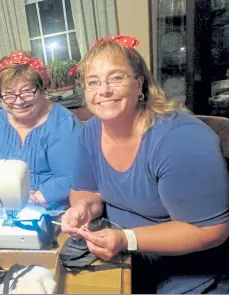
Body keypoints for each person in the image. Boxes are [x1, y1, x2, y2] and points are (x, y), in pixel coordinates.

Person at [61, 35, 229, 293]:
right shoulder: (90, 131)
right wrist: (83, 208)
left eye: (116, 78)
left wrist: (126, 239)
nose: (103, 90)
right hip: (126, 263)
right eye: (93, 82)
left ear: (140, 84)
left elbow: (210, 230)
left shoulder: (180, 138)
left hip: (187, 278)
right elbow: (87, 190)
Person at [0, 51, 82, 210]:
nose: (18, 101)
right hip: (4, 206)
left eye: (26, 91)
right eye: (9, 94)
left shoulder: (63, 123)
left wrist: (33, 198)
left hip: (52, 210)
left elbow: (72, 177)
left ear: (42, 88)